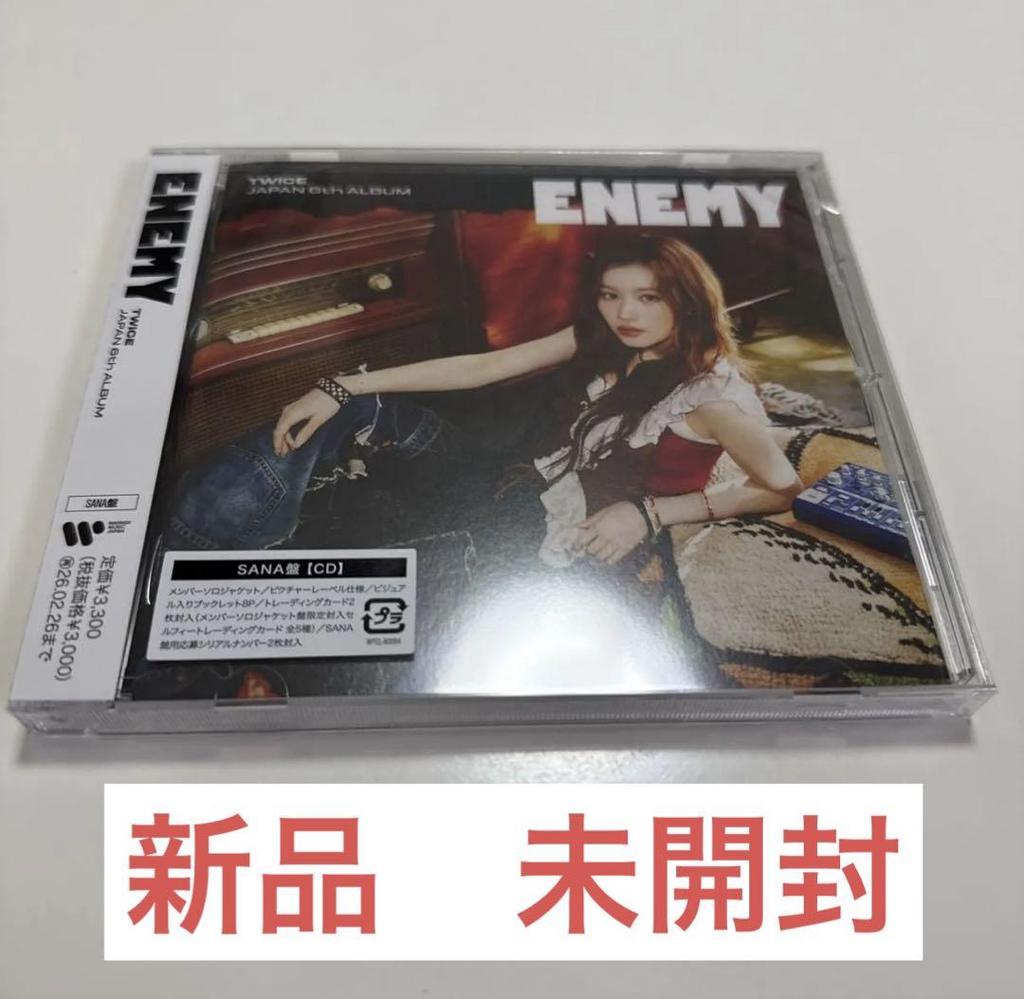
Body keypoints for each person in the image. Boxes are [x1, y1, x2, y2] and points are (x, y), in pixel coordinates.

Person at [167, 235, 802, 567]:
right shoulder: (609, 336)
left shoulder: (712, 395)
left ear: (686, 300)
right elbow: (486, 367)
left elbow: (781, 489)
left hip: (536, 524)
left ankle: (206, 556)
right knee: (353, 409)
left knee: (357, 539)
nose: (624, 313)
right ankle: (195, 550)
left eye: (648, 297)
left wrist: (648, 513)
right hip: (502, 473)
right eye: (612, 295)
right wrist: (341, 384)